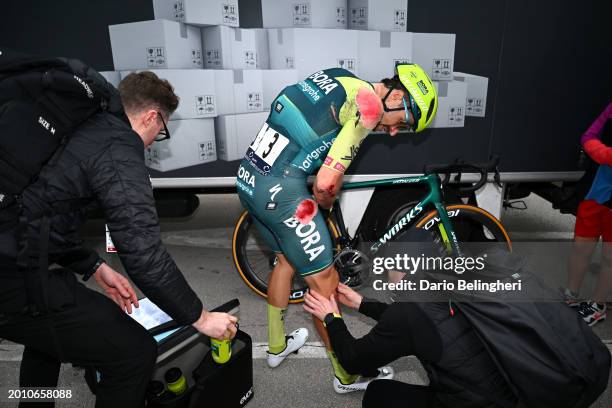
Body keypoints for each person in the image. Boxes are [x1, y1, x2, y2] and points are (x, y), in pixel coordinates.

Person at [0, 71, 237, 407]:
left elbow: (44, 209)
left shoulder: (87, 125)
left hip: (14, 254)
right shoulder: (119, 147)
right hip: (12, 275)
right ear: (152, 116)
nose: (156, 140)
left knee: (47, 339)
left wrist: (94, 265)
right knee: (134, 353)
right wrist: (201, 318)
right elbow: (143, 253)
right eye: (162, 130)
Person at [236, 63, 438, 392]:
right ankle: (346, 374)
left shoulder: (338, 75)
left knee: (285, 261)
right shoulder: (369, 107)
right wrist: (325, 203)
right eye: (403, 121)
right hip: (283, 193)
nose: (394, 132)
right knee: (325, 285)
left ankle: (275, 347)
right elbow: (326, 183)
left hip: (249, 179)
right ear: (398, 95)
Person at [303, 283, 517, 408]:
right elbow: (417, 322)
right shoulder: (447, 288)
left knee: (378, 394)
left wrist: (332, 319)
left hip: (468, 403)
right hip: (509, 394)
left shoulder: (408, 311)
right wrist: (363, 303)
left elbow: (352, 360)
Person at [562, 102, 612, 326]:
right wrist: (602, 152)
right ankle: (571, 295)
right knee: (580, 247)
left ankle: (598, 306)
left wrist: (604, 153)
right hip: (595, 192)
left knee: (609, 258)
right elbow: (588, 135)